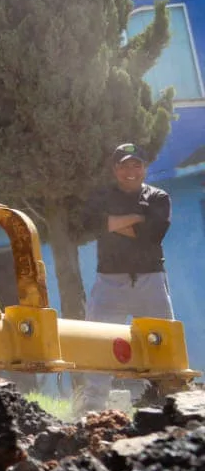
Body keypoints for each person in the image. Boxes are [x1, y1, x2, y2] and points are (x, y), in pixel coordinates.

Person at [75, 142, 175, 413]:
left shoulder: (159, 198)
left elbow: (150, 238)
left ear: (144, 168)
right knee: (99, 343)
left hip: (150, 280)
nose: (130, 171)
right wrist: (135, 218)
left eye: (136, 164)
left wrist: (110, 224)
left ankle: (167, 401)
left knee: (162, 342)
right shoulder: (101, 196)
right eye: (124, 165)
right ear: (114, 169)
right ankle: (93, 408)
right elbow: (87, 226)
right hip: (109, 282)